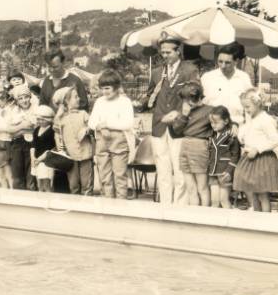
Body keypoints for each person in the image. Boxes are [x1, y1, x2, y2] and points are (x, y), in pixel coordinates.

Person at [140, 35, 199, 205]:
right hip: (159, 126)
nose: (164, 55)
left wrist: (178, 113)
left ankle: (180, 207)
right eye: (162, 52)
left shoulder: (189, 70)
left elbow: (195, 95)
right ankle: (165, 206)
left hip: (179, 127)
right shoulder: (157, 72)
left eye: (168, 52)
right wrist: (143, 102)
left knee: (180, 170)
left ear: (178, 51)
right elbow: (150, 96)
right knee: (163, 169)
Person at [88, 70, 135, 200]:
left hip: (119, 141)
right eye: (102, 88)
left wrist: (105, 124)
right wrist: (100, 127)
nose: (105, 92)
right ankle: (107, 204)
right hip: (102, 141)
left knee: (119, 175)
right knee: (104, 175)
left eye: (107, 88)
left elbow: (127, 123)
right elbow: (92, 122)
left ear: (117, 87)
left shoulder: (124, 101)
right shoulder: (99, 102)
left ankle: (121, 206)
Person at [233, 88, 278, 212]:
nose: (246, 110)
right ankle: (256, 213)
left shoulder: (265, 120)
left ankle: (265, 218)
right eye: (244, 107)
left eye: (248, 107)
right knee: (249, 190)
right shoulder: (251, 119)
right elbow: (244, 137)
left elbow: (275, 140)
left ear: (258, 104)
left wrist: (258, 149)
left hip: (262, 159)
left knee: (262, 193)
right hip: (249, 158)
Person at [168, 82, 214, 206]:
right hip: (185, 145)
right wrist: (184, 115)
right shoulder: (184, 111)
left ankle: (205, 214)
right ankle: (194, 215)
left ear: (199, 98)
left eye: (189, 101)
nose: (186, 104)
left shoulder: (209, 111)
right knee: (190, 187)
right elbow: (177, 130)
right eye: (185, 100)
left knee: (202, 187)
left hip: (200, 146)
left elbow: (221, 125)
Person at [54, 86, 94, 195]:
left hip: (85, 154)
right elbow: (57, 134)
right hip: (70, 157)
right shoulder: (60, 118)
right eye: (75, 97)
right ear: (66, 102)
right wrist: (60, 147)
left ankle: (87, 205)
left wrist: (86, 130)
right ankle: (76, 207)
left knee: (87, 184)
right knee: (73, 185)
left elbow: (92, 126)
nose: (79, 98)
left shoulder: (83, 114)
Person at [201, 43, 252, 125]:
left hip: (237, 126)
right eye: (220, 61)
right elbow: (201, 104)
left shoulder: (244, 78)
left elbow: (250, 105)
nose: (223, 66)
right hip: (212, 127)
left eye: (227, 62)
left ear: (236, 61)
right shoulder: (207, 78)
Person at [4, 84, 38, 190]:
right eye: (20, 98)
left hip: (32, 145)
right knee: (17, 176)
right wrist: (23, 127)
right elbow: (9, 131)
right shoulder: (13, 111)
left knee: (31, 175)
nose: (24, 101)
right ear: (17, 101)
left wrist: (18, 129)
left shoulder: (35, 109)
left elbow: (36, 129)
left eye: (26, 97)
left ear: (30, 97)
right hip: (17, 144)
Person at [207, 106, 240, 209]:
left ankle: (230, 222)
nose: (213, 125)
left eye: (216, 123)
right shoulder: (212, 135)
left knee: (224, 200)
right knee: (214, 201)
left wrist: (229, 171)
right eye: (211, 123)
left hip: (225, 172)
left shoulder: (231, 136)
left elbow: (235, 155)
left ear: (225, 121)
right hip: (213, 172)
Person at [31, 105, 57, 192]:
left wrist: (39, 160)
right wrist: (33, 158)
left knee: (47, 184)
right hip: (36, 161)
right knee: (39, 185)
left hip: (46, 161)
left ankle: (49, 202)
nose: (40, 121)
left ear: (49, 119)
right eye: (38, 119)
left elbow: (50, 148)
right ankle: (40, 202)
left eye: (42, 119)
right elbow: (33, 145)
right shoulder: (36, 130)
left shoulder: (52, 131)